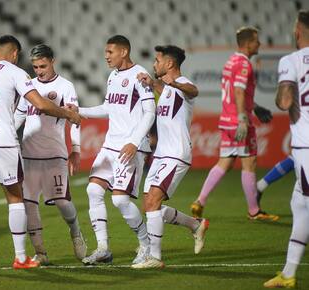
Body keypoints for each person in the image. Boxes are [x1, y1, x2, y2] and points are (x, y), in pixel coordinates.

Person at [0, 35, 81, 273]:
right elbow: (39, 104)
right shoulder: (15, 72)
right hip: (2, 143)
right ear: (15, 54)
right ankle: (20, 257)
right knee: (16, 199)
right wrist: (68, 114)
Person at [74, 35, 156, 265]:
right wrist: (78, 110)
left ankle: (146, 245)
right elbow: (108, 107)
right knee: (93, 191)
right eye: (106, 52)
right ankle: (103, 249)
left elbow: (150, 112)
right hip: (110, 145)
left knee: (120, 201)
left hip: (131, 147)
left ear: (124, 51)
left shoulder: (140, 75)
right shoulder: (113, 76)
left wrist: (134, 141)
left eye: (110, 52)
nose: (106, 56)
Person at [190, 27, 279, 221]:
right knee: (249, 163)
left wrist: (255, 107)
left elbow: (238, 93)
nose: (260, 44)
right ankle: (254, 211)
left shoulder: (231, 61)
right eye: (257, 41)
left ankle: (200, 201)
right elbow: (238, 92)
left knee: (226, 162)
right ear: (248, 44)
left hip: (226, 120)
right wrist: (243, 118)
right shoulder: (245, 64)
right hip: (239, 122)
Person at [131, 45, 208, 269]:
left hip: (176, 154)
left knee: (153, 201)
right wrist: (151, 82)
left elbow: (193, 91)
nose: (154, 64)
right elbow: (163, 90)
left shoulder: (184, 85)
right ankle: (196, 225)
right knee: (149, 206)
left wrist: (172, 83)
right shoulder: (165, 90)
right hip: (160, 155)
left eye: (157, 60)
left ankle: (154, 257)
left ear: (169, 64)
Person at [14, 44, 87, 265]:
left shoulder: (66, 86)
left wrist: (75, 150)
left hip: (55, 154)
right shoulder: (28, 87)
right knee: (29, 204)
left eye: (43, 66)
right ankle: (41, 253)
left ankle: (75, 232)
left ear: (52, 61)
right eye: (35, 67)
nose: (39, 71)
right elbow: (18, 117)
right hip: (29, 156)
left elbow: (74, 119)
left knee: (62, 202)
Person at [264, 10, 309, 288]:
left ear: (298, 32)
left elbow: (284, 101)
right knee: (299, 204)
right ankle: (289, 273)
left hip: (307, 144)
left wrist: (286, 91)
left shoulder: (291, 60)